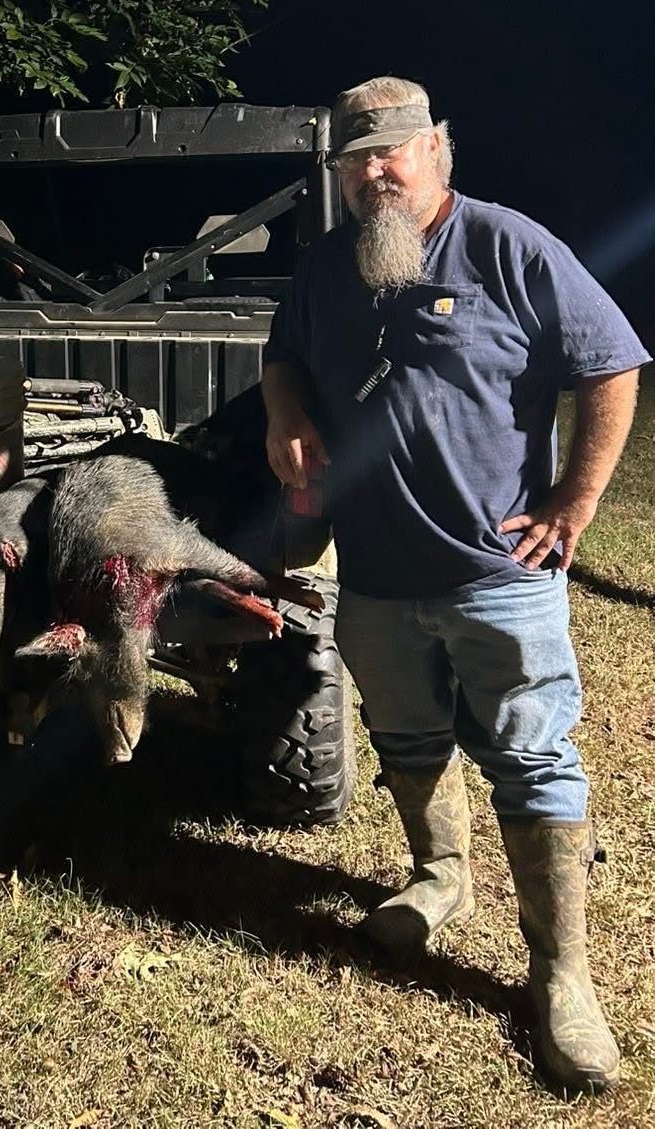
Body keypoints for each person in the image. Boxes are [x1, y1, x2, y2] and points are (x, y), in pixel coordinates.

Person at [262, 76, 648, 1094]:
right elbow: (284, 357)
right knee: (408, 739)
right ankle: (439, 879)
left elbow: (610, 362)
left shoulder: (509, 247)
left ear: (438, 149)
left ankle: (563, 981)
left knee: (533, 760)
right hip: (378, 576)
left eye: (392, 151)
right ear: (337, 172)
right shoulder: (324, 269)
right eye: (355, 159)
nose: (375, 172)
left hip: (497, 573)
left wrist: (575, 495)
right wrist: (284, 413)